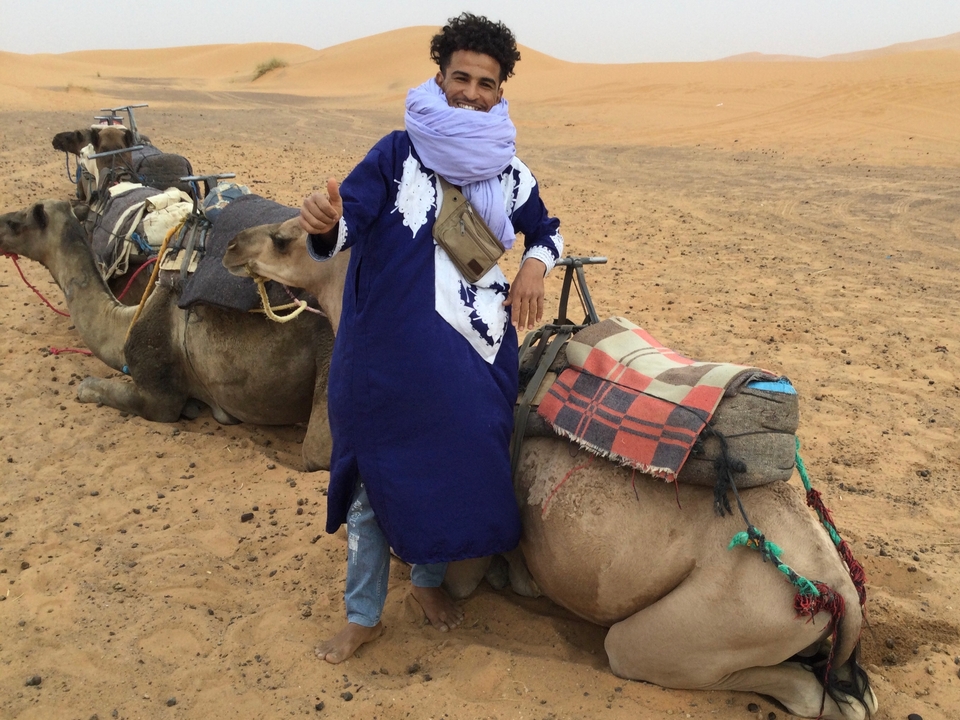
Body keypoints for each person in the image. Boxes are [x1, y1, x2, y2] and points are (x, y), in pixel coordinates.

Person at [299, 12, 564, 664]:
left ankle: (423, 583)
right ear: (439, 77)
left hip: (472, 359)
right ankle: (362, 616)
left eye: (487, 82)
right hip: (388, 362)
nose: (473, 91)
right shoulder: (395, 153)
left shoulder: (509, 171)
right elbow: (344, 227)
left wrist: (534, 265)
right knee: (370, 490)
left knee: (452, 474)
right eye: (461, 77)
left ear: (502, 92)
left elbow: (548, 229)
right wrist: (326, 221)